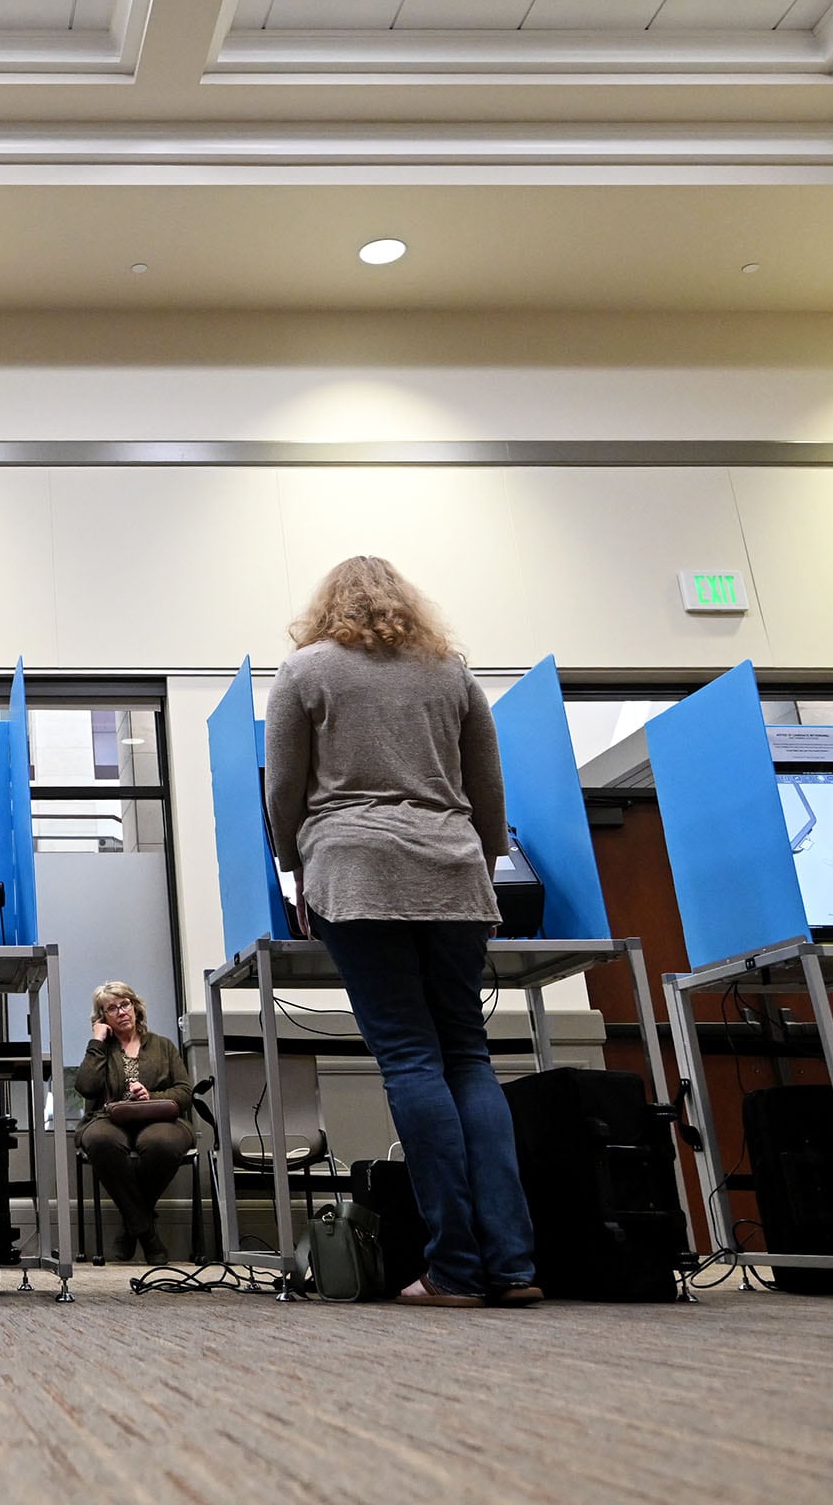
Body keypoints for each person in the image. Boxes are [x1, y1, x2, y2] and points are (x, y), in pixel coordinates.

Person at [265, 555, 538, 1309]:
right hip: (453, 871)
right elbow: (490, 790)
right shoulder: (450, 672)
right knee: (468, 1058)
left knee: (412, 1059)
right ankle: (512, 1266)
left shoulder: (305, 670)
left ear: (328, 607)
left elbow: (283, 786)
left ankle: (453, 1270)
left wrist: (293, 866)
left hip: (355, 871)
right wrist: (474, 864)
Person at [75, 980, 191, 1264]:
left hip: (159, 1119)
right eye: (111, 1009)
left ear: (135, 1007)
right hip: (107, 1119)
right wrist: (96, 1043)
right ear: (103, 1018)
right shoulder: (102, 1048)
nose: (120, 1012)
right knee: (101, 1141)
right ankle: (148, 1235)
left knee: (161, 1143)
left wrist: (151, 1095)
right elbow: (86, 1087)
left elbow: (185, 1092)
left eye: (124, 1004)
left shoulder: (163, 1045)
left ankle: (131, 1229)